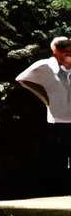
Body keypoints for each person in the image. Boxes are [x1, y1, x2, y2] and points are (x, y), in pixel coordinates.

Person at [14, 36, 71, 185]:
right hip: (57, 118)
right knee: (58, 152)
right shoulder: (44, 66)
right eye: (65, 50)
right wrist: (44, 96)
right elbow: (22, 79)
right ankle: (57, 185)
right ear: (56, 52)